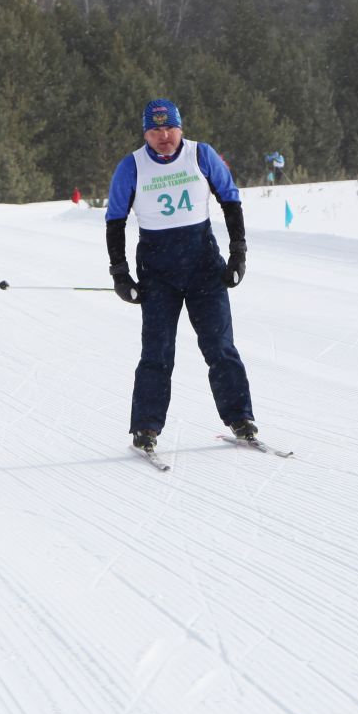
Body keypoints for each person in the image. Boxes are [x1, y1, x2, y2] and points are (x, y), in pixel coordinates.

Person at [106, 98, 257, 452]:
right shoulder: (132, 166)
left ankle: (241, 418)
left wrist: (238, 253)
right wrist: (120, 272)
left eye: (169, 128)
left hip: (203, 265)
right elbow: (115, 220)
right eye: (155, 130)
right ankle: (146, 428)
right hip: (158, 271)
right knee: (157, 352)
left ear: (180, 128)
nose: (164, 136)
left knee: (220, 347)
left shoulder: (201, 155)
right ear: (145, 132)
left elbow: (230, 200)